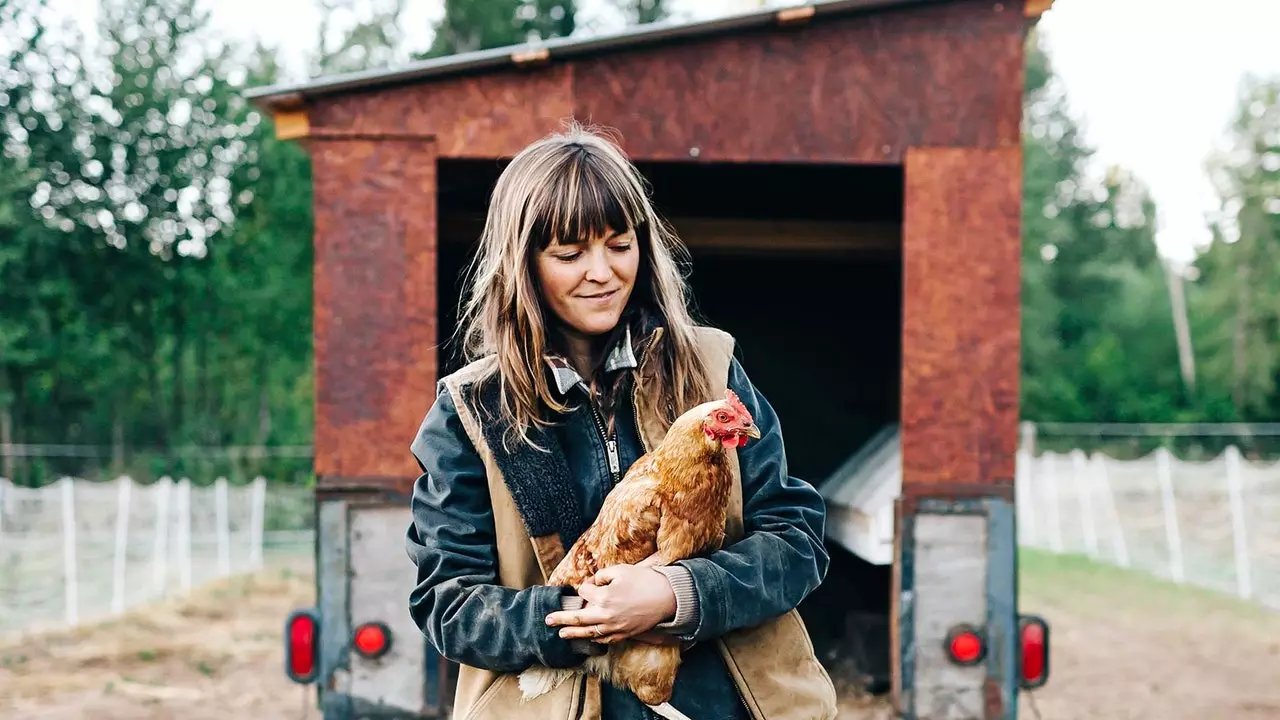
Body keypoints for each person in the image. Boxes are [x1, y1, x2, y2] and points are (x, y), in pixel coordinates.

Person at [405, 123, 837, 720]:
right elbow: (449, 604)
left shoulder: (711, 370)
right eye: (569, 253)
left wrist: (674, 593)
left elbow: (797, 539)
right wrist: (583, 617)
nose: (602, 271)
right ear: (523, 263)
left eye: (619, 243)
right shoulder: (471, 412)